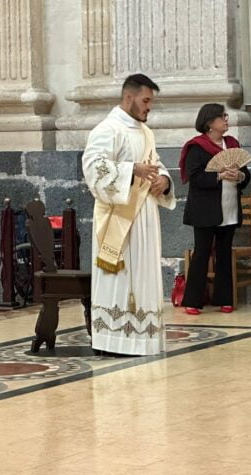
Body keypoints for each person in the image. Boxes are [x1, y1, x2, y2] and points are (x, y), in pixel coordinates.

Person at [81, 74, 175, 356]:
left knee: (144, 275)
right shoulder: (107, 129)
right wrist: (130, 170)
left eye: (150, 102)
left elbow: (154, 164)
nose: (149, 107)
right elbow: (93, 168)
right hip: (118, 219)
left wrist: (164, 181)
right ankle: (113, 340)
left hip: (144, 215)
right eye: (146, 101)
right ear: (128, 97)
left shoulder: (146, 133)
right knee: (120, 279)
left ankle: (143, 339)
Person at [180, 104, 251, 315]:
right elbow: (195, 178)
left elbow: (246, 174)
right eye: (222, 116)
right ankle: (192, 301)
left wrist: (239, 176)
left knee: (224, 253)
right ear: (209, 122)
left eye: (226, 116)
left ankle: (225, 298)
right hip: (205, 209)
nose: (226, 120)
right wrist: (219, 175)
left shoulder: (232, 144)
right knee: (201, 253)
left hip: (229, 206)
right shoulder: (197, 147)